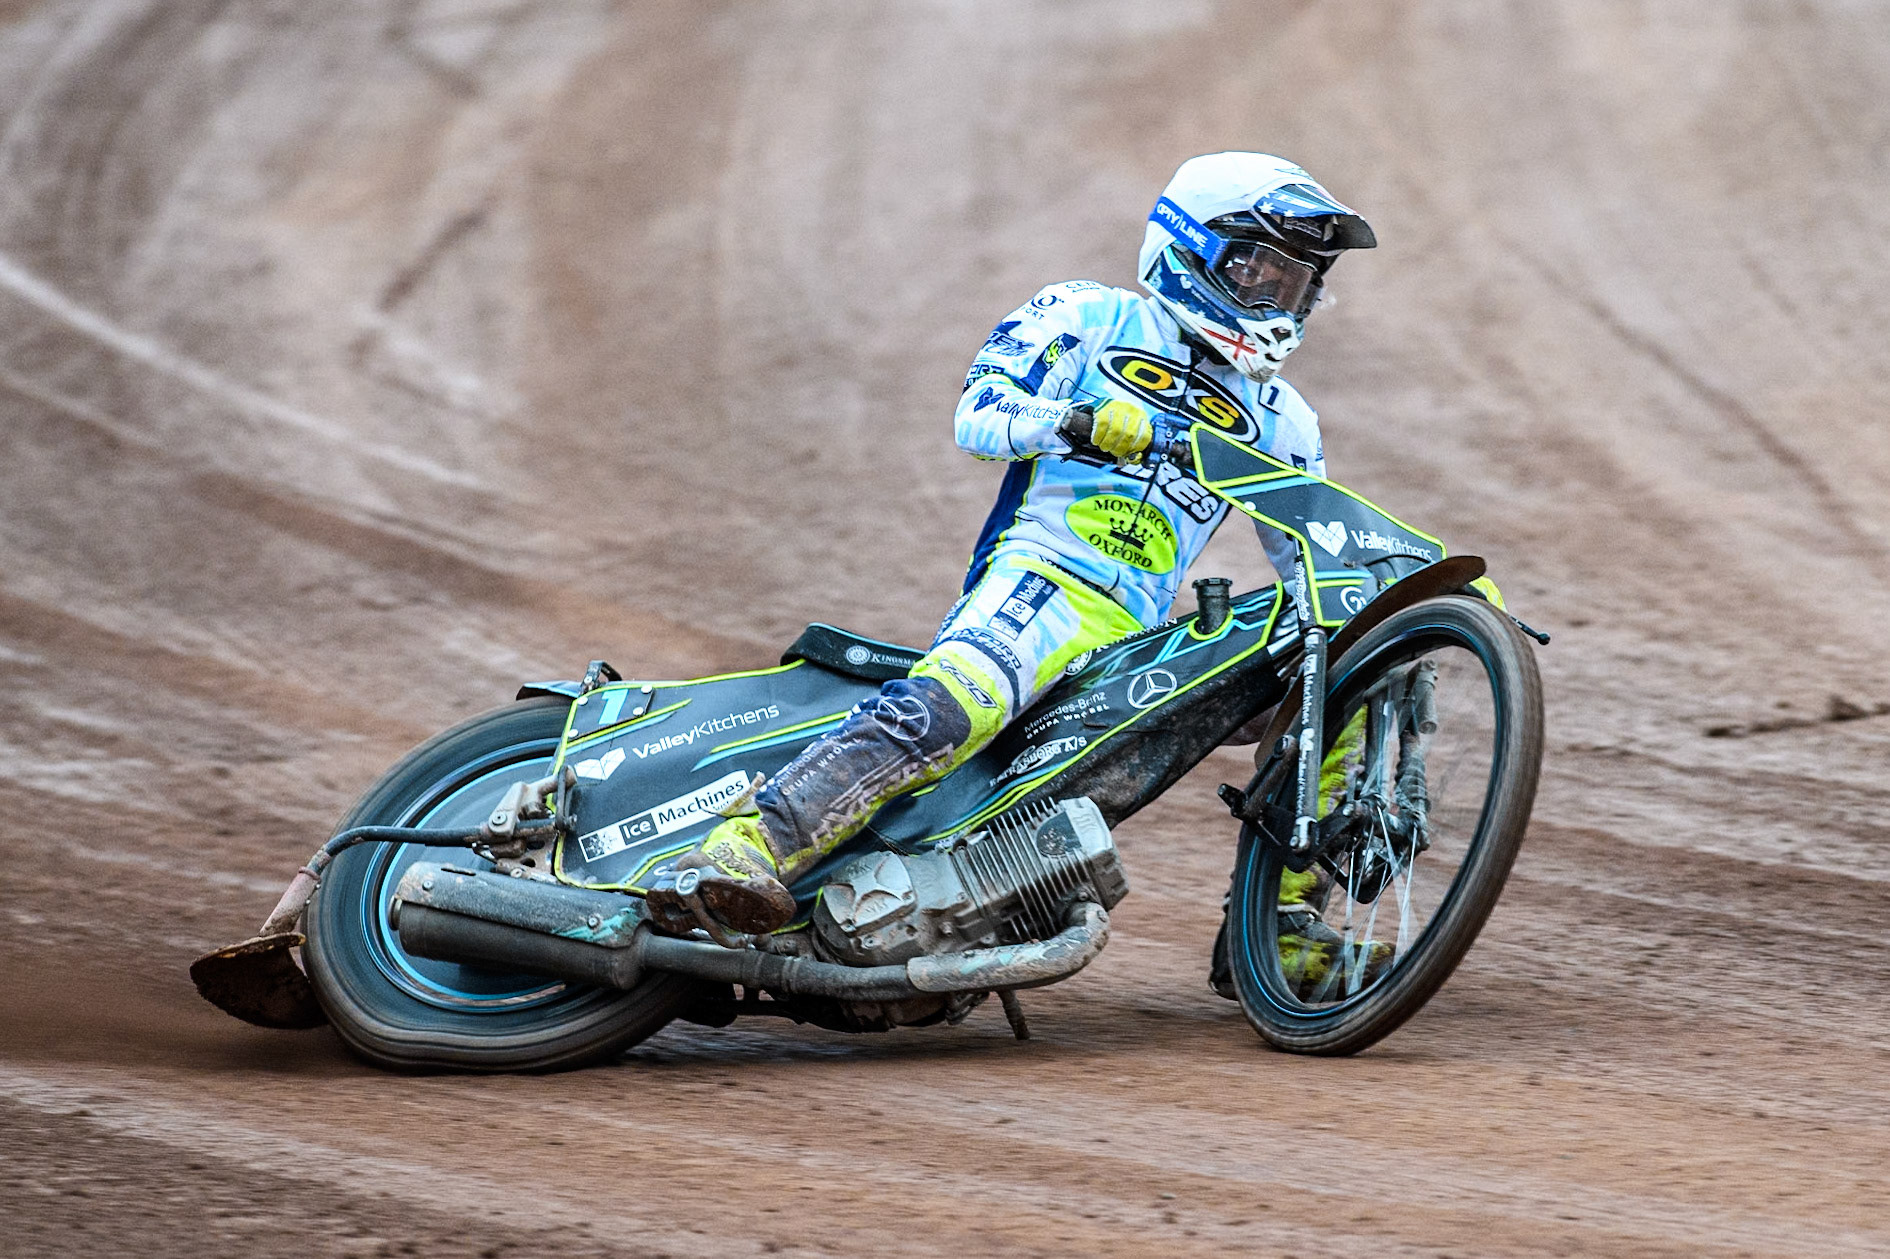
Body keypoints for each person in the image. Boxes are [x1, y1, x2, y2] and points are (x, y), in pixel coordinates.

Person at [648, 152, 1378, 953]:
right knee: (950, 709)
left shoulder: (1284, 421)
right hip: (1043, 579)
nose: (1275, 298)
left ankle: (1281, 931)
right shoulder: (1089, 316)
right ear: (1192, 249)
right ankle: (746, 845)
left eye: (1295, 282)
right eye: (1259, 269)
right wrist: (1074, 422)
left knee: (1341, 679)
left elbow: (1310, 557)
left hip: (1143, 637)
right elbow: (978, 412)